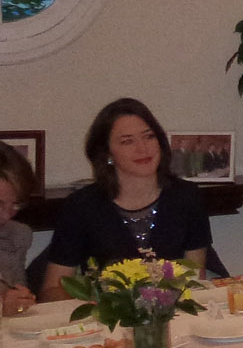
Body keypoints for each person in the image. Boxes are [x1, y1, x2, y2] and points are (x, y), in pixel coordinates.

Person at [40, 98, 211, 298]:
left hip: (172, 312)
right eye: (127, 141)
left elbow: (195, 279)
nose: (143, 148)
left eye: (149, 137)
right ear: (107, 153)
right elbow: (51, 290)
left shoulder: (187, 197)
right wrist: (93, 303)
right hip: (106, 314)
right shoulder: (81, 206)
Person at [0, 142, 36, 315]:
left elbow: (19, 308)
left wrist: (19, 302)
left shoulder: (15, 236)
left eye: (15, 205)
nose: (6, 217)